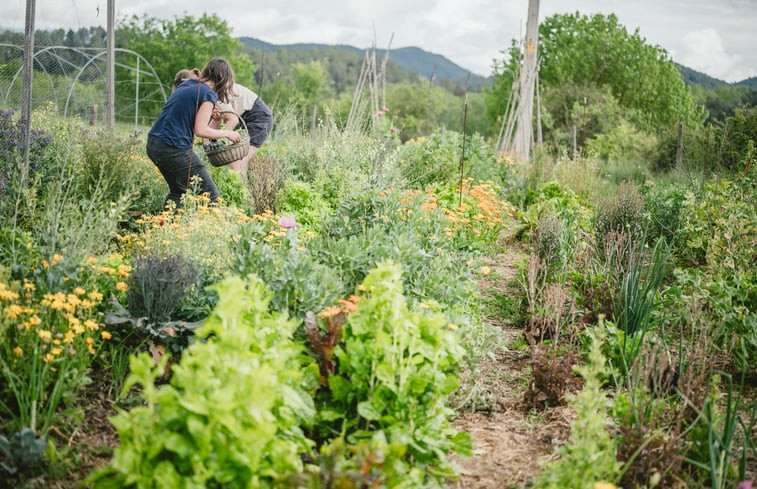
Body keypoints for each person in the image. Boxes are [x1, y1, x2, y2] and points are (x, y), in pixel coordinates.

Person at [146, 58, 240, 208]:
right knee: (210, 195)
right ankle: (212, 229)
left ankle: (166, 226)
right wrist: (228, 134)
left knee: (178, 191)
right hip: (173, 147)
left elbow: (184, 113)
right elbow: (200, 130)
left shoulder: (188, 84)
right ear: (222, 78)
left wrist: (207, 112)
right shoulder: (208, 93)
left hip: (154, 144)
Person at [213, 82, 273, 179]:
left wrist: (219, 141)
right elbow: (217, 120)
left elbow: (233, 120)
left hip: (259, 118)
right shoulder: (213, 90)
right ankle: (241, 191)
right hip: (245, 117)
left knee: (238, 161)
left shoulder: (217, 94)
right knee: (236, 161)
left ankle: (242, 193)